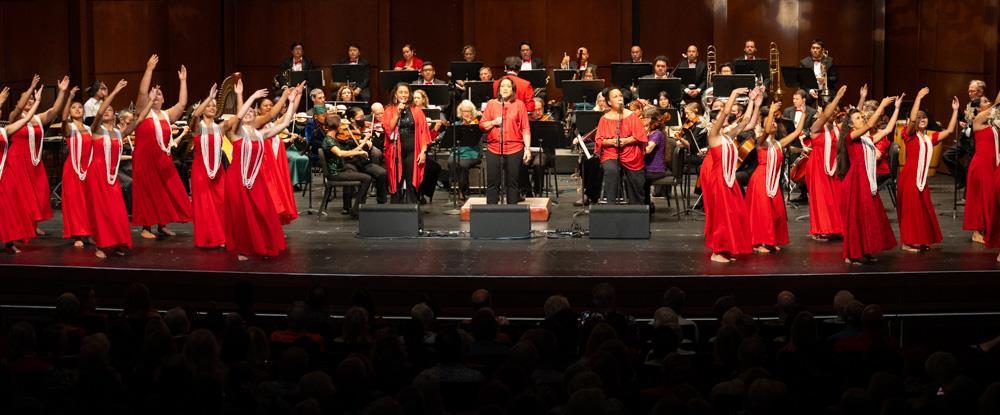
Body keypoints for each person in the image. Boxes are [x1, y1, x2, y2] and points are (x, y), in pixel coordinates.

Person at [225, 86, 301, 260]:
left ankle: (262, 243)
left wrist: (290, 103)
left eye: (252, 111)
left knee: (262, 211)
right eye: (247, 111)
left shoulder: (261, 134)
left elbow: (285, 123)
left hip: (255, 178)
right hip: (237, 178)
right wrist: (251, 97)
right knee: (242, 214)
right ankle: (243, 249)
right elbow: (238, 115)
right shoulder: (236, 133)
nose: (249, 112)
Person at [87, 80, 153, 258]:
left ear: (115, 116)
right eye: (105, 110)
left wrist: (151, 103)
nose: (107, 111)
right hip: (97, 174)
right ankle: (101, 245)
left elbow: (139, 121)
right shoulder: (95, 130)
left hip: (111, 175)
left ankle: (116, 242)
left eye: (110, 110)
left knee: (116, 210)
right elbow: (100, 110)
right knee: (101, 210)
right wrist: (114, 91)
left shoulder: (118, 133)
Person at [837, 93, 903, 264]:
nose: (862, 119)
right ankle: (851, 254)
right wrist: (881, 106)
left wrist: (896, 108)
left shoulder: (866, 140)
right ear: (851, 124)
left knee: (868, 216)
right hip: (856, 182)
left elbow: (888, 130)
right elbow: (871, 124)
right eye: (858, 118)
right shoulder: (850, 137)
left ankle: (865, 250)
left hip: (866, 180)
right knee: (857, 218)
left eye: (861, 117)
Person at [131, 55, 192, 239]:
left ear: (164, 99)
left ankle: (162, 224)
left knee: (166, 191)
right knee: (147, 192)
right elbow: (142, 93)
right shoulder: (143, 112)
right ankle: (146, 228)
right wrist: (149, 69)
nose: (156, 95)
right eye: (154, 93)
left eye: (159, 93)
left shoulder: (166, 115)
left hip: (162, 160)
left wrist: (183, 81)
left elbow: (182, 104)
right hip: (145, 159)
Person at [701, 87, 760, 263]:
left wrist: (754, 102)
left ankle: (727, 248)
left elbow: (746, 121)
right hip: (717, 180)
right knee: (721, 216)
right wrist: (733, 93)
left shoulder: (728, 136)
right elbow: (725, 112)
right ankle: (717, 251)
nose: (725, 119)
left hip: (729, 180)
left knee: (733, 214)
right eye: (721, 118)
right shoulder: (714, 136)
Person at [7, 75, 70, 234]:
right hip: (17, 160)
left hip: (34, 161)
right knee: (22, 194)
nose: (28, 101)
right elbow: (20, 108)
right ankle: (24, 225)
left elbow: (55, 110)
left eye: (30, 99)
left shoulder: (37, 118)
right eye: (25, 99)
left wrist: (62, 92)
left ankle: (33, 223)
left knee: (39, 192)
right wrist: (30, 89)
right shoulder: (14, 117)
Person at [899, 88, 959, 252]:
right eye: (919, 117)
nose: (922, 119)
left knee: (923, 210)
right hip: (909, 178)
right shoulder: (908, 134)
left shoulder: (928, 138)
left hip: (921, 180)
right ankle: (906, 242)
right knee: (911, 211)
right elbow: (911, 121)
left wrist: (955, 111)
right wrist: (918, 97)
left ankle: (921, 239)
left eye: (924, 117)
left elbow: (948, 131)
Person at [747, 101, 808, 253]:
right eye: (770, 121)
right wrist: (771, 111)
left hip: (774, 182)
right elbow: (767, 129)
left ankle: (771, 239)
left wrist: (804, 113)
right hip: (760, 179)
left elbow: (797, 131)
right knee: (763, 212)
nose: (773, 123)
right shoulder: (760, 142)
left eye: (774, 121)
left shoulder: (779, 144)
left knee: (776, 212)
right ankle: (760, 242)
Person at [189, 82, 238, 249]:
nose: (211, 107)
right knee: (204, 205)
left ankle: (222, 236)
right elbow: (195, 116)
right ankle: (208, 238)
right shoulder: (197, 128)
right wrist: (209, 97)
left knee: (221, 204)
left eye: (214, 105)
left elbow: (238, 117)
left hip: (218, 171)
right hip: (201, 171)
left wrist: (239, 95)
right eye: (208, 105)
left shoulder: (221, 128)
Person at [0, 87, 44, 253]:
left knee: (8, 206)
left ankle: (9, 241)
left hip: (4, 173)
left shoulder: (4, 131)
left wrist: (38, 101)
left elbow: (25, 121)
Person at [803, 85, 849, 240]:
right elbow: (825, 115)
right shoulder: (816, 128)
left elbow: (850, 120)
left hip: (833, 166)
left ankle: (835, 227)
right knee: (821, 199)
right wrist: (837, 98)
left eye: (836, 110)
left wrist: (861, 99)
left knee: (835, 198)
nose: (834, 112)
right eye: (831, 110)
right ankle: (821, 229)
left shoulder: (837, 128)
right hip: (817, 166)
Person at [252, 89, 301, 225]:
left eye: (270, 105)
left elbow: (288, 116)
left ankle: (273, 224)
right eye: (265, 105)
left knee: (276, 194)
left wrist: (297, 97)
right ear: (258, 109)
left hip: (275, 164)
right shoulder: (257, 123)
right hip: (265, 164)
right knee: (269, 194)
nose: (268, 107)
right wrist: (285, 97)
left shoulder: (271, 124)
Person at [480, 77, 531, 204]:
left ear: (513, 89)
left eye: (508, 86)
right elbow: (482, 125)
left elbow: (525, 128)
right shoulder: (491, 104)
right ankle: (491, 214)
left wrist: (528, 149)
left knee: (512, 183)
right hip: (494, 148)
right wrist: (493, 122)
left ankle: (512, 214)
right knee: (493, 182)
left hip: (515, 148)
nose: (505, 88)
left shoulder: (519, 104)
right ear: (499, 89)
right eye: (502, 86)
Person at [595, 88, 648, 204]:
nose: (619, 98)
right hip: (610, 153)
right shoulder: (604, 119)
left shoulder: (632, 116)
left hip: (631, 151)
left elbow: (640, 136)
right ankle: (611, 207)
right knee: (611, 170)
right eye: (615, 96)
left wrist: (626, 141)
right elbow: (599, 140)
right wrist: (612, 142)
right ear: (609, 102)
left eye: (620, 95)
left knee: (636, 178)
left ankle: (637, 209)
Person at [320, 107, 375, 218]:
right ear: (335, 126)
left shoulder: (333, 138)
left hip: (340, 169)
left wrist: (363, 143)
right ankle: (356, 210)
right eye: (340, 124)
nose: (342, 126)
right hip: (335, 173)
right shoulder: (329, 140)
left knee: (364, 176)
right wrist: (359, 153)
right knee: (367, 178)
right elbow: (340, 153)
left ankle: (356, 208)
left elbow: (348, 152)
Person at [383, 83, 432, 204]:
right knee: (396, 181)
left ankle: (412, 213)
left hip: (413, 150)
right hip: (395, 150)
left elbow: (424, 132)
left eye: (406, 92)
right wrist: (397, 113)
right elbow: (388, 127)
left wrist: (423, 152)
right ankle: (396, 212)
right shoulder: (389, 109)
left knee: (411, 181)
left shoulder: (416, 110)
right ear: (395, 94)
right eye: (401, 92)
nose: (404, 95)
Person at [59, 86, 95, 247]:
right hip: (72, 170)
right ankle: (78, 235)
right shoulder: (69, 128)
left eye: (80, 107)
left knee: (88, 201)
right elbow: (63, 118)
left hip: (88, 169)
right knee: (75, 202)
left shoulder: (89, 129)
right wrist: (69, 97)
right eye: (74, 107)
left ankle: (89, 232)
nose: (78, 109)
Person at [964, 89, 1000, 243]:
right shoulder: (978, 120)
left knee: (989, 197)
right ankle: (977, 232)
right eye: (985, 102)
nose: (989, 103)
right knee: (981, 197)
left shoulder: (991, 123)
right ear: (978, 108)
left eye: (988, 101)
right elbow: (997, 105)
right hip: (981, 165)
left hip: (992, 164)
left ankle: (987, 228)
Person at [944, 80, 986, 193]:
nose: (970, 93)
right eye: (969, 91)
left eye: (972, 91)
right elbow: (967, 119)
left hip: (975, 142)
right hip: (965, 140)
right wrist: (956, 110)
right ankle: (962, 179)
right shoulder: (969, 104)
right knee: (947, 156)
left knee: (970, 168)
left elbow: (981, 123)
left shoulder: (985, 104)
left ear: (980, 91)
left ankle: (969, 195)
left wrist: (969, 125)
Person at [450, 100, 482, 200]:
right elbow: (447, 137)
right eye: (464, 111)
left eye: (468, 111)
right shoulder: (456, 124)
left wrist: (472, 124)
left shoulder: (476, 124)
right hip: (457, 153)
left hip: (472, 154)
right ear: (460, 112)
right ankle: (463, 186)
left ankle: (461, 190)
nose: (466, 113)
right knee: (451, 161)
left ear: (472, 112)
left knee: (462, 164)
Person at [640, 106, 669, 212]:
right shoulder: (650, 133)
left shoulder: (657, 134)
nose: (642, 120)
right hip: (648, 167)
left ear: (651, 119)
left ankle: (645, 206)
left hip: (655, 169)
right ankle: (645, 205)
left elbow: (648, 149)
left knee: (636, 176)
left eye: (644, 117)